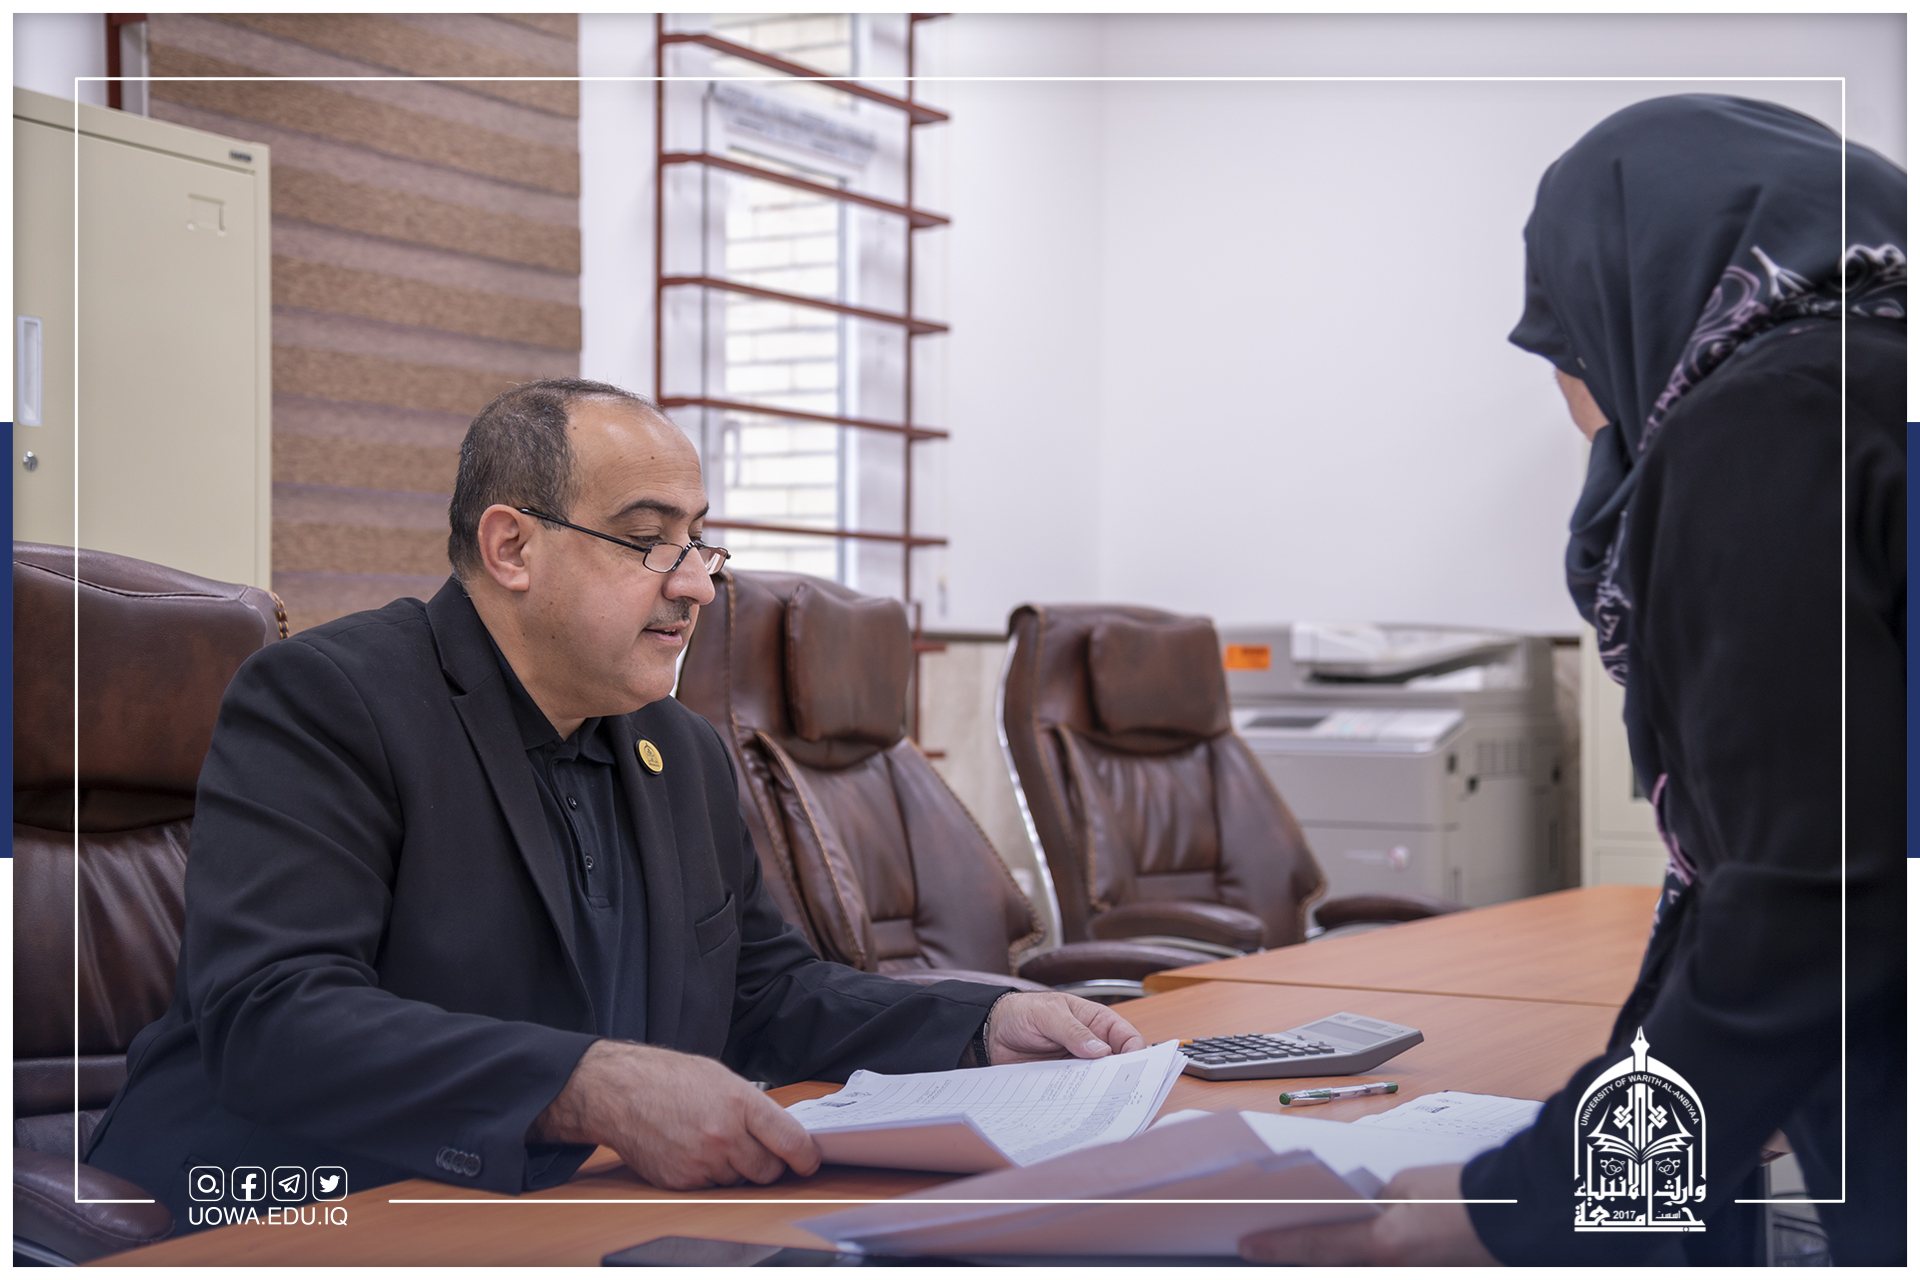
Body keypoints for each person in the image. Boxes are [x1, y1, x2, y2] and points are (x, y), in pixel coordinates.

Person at [88, 379, 1145, 1229]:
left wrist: (980, 1022)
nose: (695, 583)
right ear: (512, 547)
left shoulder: (677, 748)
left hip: (562, 1211)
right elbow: (274, 1017)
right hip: (297, 1210)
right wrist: (588, 1085)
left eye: (700, 541)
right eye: (649, 540)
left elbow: (764, 993)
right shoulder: (328, 698)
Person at [1241, 94, 1905, 1266]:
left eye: (1559, 345)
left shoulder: (1767, 416)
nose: (1574, 397)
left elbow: (1808, 900)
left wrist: (1519, 1202)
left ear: (1622, 288)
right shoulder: (1883, 383)